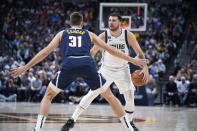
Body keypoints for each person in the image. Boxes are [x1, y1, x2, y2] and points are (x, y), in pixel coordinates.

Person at [10, 12, 147, 131]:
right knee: (110, 96)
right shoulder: (90, 33)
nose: (111, 22)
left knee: (48, 95)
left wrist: (25, 67)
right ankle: (128, 127)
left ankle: (38, 128)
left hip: (70, 64)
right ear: (82, 23)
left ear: (70, 23)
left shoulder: (62, 33)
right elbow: (111, 50)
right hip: (89, 64)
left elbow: (45, 52)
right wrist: (132, 60)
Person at [63, 13, 149, 131]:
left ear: (120, 22)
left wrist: (145, 69)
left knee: (129, 95)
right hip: (106, 69)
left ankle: (129, 123)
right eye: (109, 20)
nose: (111, 23)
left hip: (123, 69)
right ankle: (72, 119)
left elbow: (140, 53)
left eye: (114, 20)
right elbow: (93, 52)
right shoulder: (104, 35)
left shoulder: (127, 35)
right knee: (92, 93)